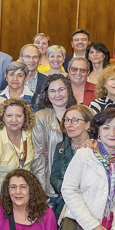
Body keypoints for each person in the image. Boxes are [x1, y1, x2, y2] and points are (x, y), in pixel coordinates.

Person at [0, 98, 35, 216]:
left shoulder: (28, 134)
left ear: (25, 117)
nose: (14, 120)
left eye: (18, 115)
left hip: (23, 196)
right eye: (9, 115)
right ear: (2, 117)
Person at [30, 74, 75, 206]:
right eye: (52, 91)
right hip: (52, 184)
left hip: (78, 180)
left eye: (61, 89)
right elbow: (38, 157)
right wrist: (41, 190)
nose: (57, 95)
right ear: (47, 94)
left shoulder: (81, 113)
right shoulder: (40, 117)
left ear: (68, 90)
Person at [50, 104, 95, 215]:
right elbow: (54, 177)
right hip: (66, 205)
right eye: (66, 120)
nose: (68, 124)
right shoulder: (61, 147)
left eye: (75, 120)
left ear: (87, 124)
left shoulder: (97, 147)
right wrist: (69, 191)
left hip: (91, 206)